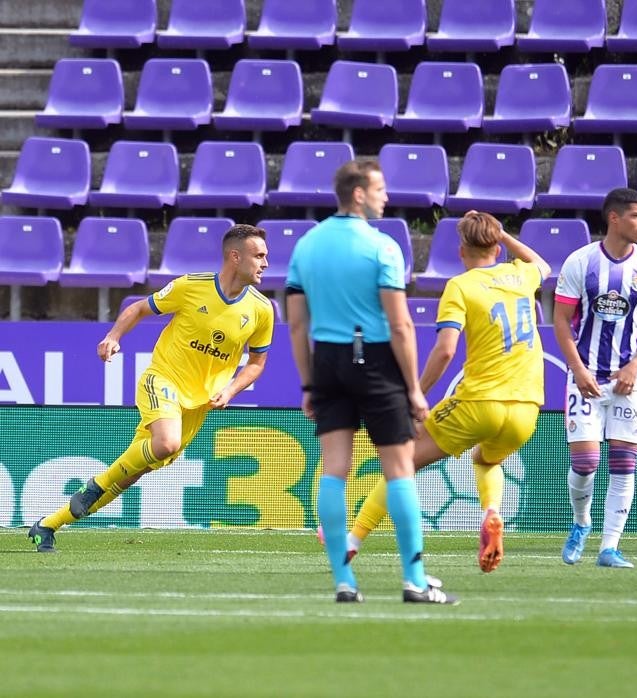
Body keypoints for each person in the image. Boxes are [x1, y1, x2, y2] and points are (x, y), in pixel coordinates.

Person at [29, 225, 274, 552]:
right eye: (259, 256)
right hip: (163, 379)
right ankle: (94, 485)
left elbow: (257, 363)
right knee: (166, 442)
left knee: (131, 474)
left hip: (197, 404)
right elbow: (139, 308)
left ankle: (47, 525)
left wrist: (230, 390)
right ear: (235, 256)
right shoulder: (192, 286)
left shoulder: (261, 309)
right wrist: (113, 336)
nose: (266, 263)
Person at [345, 211, 552, 574]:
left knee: (402, 460)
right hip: (526, 409)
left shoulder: (461, 286)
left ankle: (353, 539)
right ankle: (491, 512)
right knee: (486, 460)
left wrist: (417, 392)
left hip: (478, 402)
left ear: (461, 250)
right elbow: (543, 264)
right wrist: (503, 235)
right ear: (496, 245)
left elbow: (445, 350)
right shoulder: (521, 275)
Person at [287, 160, 454, 605]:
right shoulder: (382, 247)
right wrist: (415, 389)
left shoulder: (306, 246)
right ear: (358, 193)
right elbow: (400, 325)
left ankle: (344, 580)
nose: (386, 196)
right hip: (374, 358)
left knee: (334, 469)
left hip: (327, 361)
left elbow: (297, 326)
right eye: (380, 188)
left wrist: (307, 384)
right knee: (399, 469)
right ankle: (414, 581)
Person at [555, 188, 637, 569]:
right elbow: (560, 321)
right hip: (585, 377)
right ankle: (580, 521)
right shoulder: (580, 262)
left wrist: (636, 364)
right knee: (586, 462)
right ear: (614, 219)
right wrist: (578, 369)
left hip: (629, 381)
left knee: (624, 463)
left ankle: (609, 547)